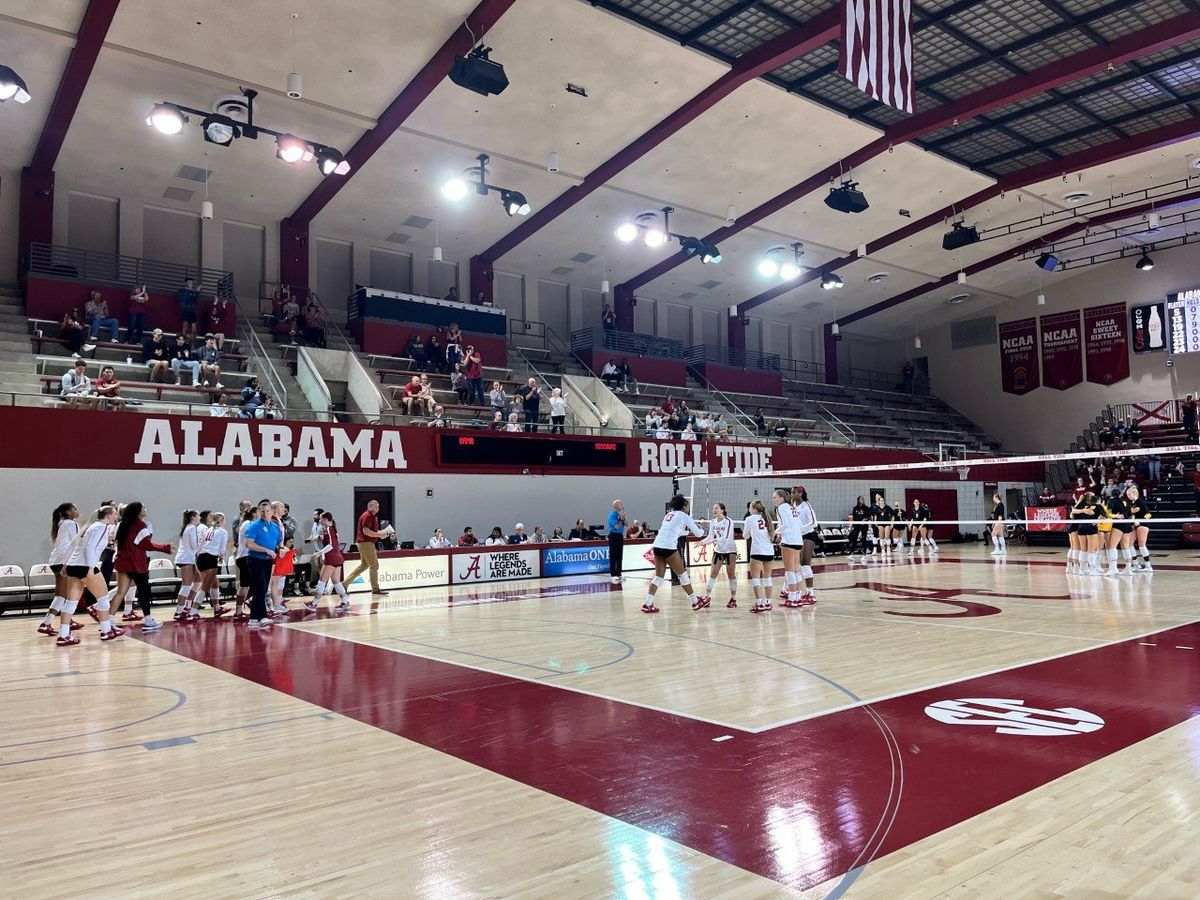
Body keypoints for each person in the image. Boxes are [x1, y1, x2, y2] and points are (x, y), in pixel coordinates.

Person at [59, 505, 125, 645]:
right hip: (86, 566)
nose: (116, 516)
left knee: (71, 602)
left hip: (73, 565)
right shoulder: (101, 527)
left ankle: (63, 635)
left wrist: (65, 565)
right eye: (114, 513)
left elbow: (74, 546)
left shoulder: (91, 527)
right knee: (103, 599)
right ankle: (106, 631)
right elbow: (90, 547)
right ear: (108, 516)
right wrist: (90, 568)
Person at [111, 501, 172, 628]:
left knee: (120, 592)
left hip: (122, 562)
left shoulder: (122, 524)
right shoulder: (140, 525)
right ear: (138, 511)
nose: (145, 509)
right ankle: (148, 620)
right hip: (136, 563)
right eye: (143, 507)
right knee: (144, 591)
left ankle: (108, 621)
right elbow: (147, 545)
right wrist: (165, 547)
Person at [643, 495, 706, 614]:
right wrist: (702, 528)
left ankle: (648, 603)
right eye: (687, 505)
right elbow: (698, 534)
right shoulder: (684, 516)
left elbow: (676, 530)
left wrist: (688, 532)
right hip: (668, 547)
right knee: (682, 575)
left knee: (658, 577)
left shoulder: (668, 515)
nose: (688, 507)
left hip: (657, 546)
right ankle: (695, 601)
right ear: (684, 506)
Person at [36, 503, 84, 637]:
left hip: (55, 560)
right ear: (68, 512)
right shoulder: (71, 523)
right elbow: (76, 542)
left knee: (62, 595)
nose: (78, 510)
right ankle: (47, 623)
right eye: (75, 509)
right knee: (63, 595)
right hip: (64, 561)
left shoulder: (61, 523)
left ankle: (64, 621)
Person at [242, 500, 282, 627]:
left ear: (272, 512)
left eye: (267, 511)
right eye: (262, 511)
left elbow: (278, 542)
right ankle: (262, 616)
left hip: (267, 561)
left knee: (263, 589)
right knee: (260, 587)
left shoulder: (275, 526)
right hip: (255, 560)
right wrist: (265, 550)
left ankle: (254, 618)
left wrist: (281, 549)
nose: (265, 514)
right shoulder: (254, 526)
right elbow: (249, 544)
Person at [343, 499, 389, 596]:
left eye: (378, 506)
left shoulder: (373, 516)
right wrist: (379, 535)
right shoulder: (367, 516)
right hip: (366, 543)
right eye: (376, 506)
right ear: (370, 506)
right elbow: (366, 531)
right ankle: (375, 589)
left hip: (365, 543)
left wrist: (381, 533)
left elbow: (372, 530)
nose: (378, 508)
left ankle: (344, 584)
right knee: (374, 565)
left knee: (364, 565)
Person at [306, 511, 351, 612]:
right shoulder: (332, 528)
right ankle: (345, 602)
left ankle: (314, 604)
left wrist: (319, 553)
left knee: (322, 581)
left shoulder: (329, 529)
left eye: (321, 519)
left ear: (326, 519)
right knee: (336, 582)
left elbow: (331, 545)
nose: (319, 520)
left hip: (332, 558)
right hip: (338, 558)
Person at [698, 503, 738, 608]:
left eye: (716, 508)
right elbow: (710, 536)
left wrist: (714, 540)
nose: (714, 509)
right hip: (718, 550)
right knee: (713, 572)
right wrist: (702, 542)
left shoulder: (728, 521)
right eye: (713, 508)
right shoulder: (712, 522)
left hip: (730, 550)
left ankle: (733, 598)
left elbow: (726, 537)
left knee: (730, 574)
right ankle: (707, 596)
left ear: (722, 510)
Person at [744, 500, 776, 613]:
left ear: (754, 509)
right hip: (769, 552)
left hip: (757, 551)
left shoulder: (749, 519)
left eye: (750, 507)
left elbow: (745, 535)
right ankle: (768, 602)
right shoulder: (767, 518)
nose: (748, 509)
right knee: (767, 578)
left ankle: (759, 604)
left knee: (756, 578)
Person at [1129, 485, 1153, 572]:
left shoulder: (1140, 502)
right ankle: (1136, 564)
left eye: (1129, 495)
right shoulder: (1132, 503)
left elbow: (1148, 514)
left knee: (1141, 545)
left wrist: (1142, 521)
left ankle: (1148, 566)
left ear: (1134, 493)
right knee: (1129, 544)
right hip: (1135, 525)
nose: (1128, 496)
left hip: (1142, 525)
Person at [607, 499, 626, 585]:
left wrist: (623, 519)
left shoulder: (621, 514)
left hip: (620, 536)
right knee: (613, 555)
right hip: (613, 535)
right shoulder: (612, 515)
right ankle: (613, 574)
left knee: (619, 555)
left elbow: (627, 524)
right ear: (616, 506)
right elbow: (616, 526)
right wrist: (621, 520)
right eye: (620, 504)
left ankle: (619, 573)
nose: (622, 506)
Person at [848, 496, 870, 561]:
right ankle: (852, 554)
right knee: (854, 539)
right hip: (857, 525)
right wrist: (851, 526)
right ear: (858, 500)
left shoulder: (866, 508)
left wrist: (865, 519)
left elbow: (869, 517)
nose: (863, 500)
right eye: (861, 499)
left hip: (864, 525)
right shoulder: (855, 508)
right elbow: (854, 518)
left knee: (864, 539)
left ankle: (864, 555)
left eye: (863, 499)